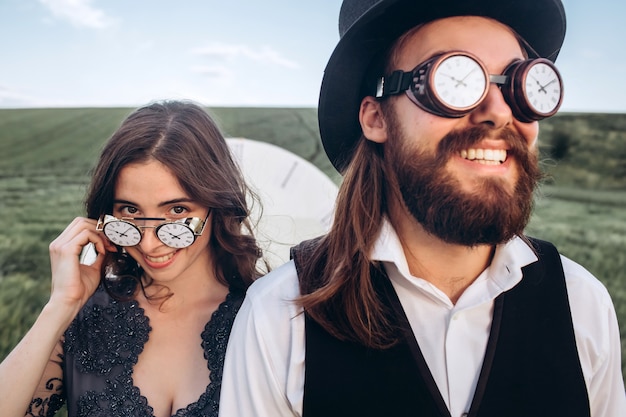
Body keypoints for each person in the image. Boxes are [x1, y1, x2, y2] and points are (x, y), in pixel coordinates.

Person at [219, 1, 626, 416]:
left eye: (518, 85)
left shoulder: (582, 304)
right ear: (376, 117)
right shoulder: (281, 318)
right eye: (454, 79)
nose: (499, 112)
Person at [0, 100, 267, 417]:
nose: (150, 243)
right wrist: (59, 306)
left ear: (218, 206)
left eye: (177, 211)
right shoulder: (84, 318)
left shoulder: (265, 318)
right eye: (130, 210)